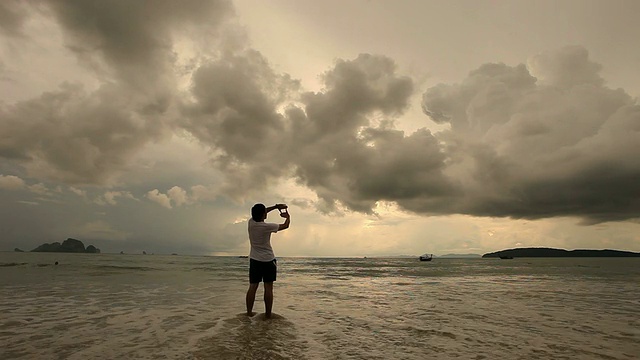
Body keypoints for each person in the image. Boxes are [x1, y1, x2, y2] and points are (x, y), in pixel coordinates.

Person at [245, 203, 290, 318]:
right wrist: (288, 217)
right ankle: (268, 315)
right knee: (268, 288)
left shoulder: (251, 223)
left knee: (253, 287)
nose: (266, 213)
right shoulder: (267, 227)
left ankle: (249, 313)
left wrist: (275, 207)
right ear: (263, 215)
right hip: (268, 260)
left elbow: (261, 212)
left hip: (255, 259)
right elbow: (285, 226)